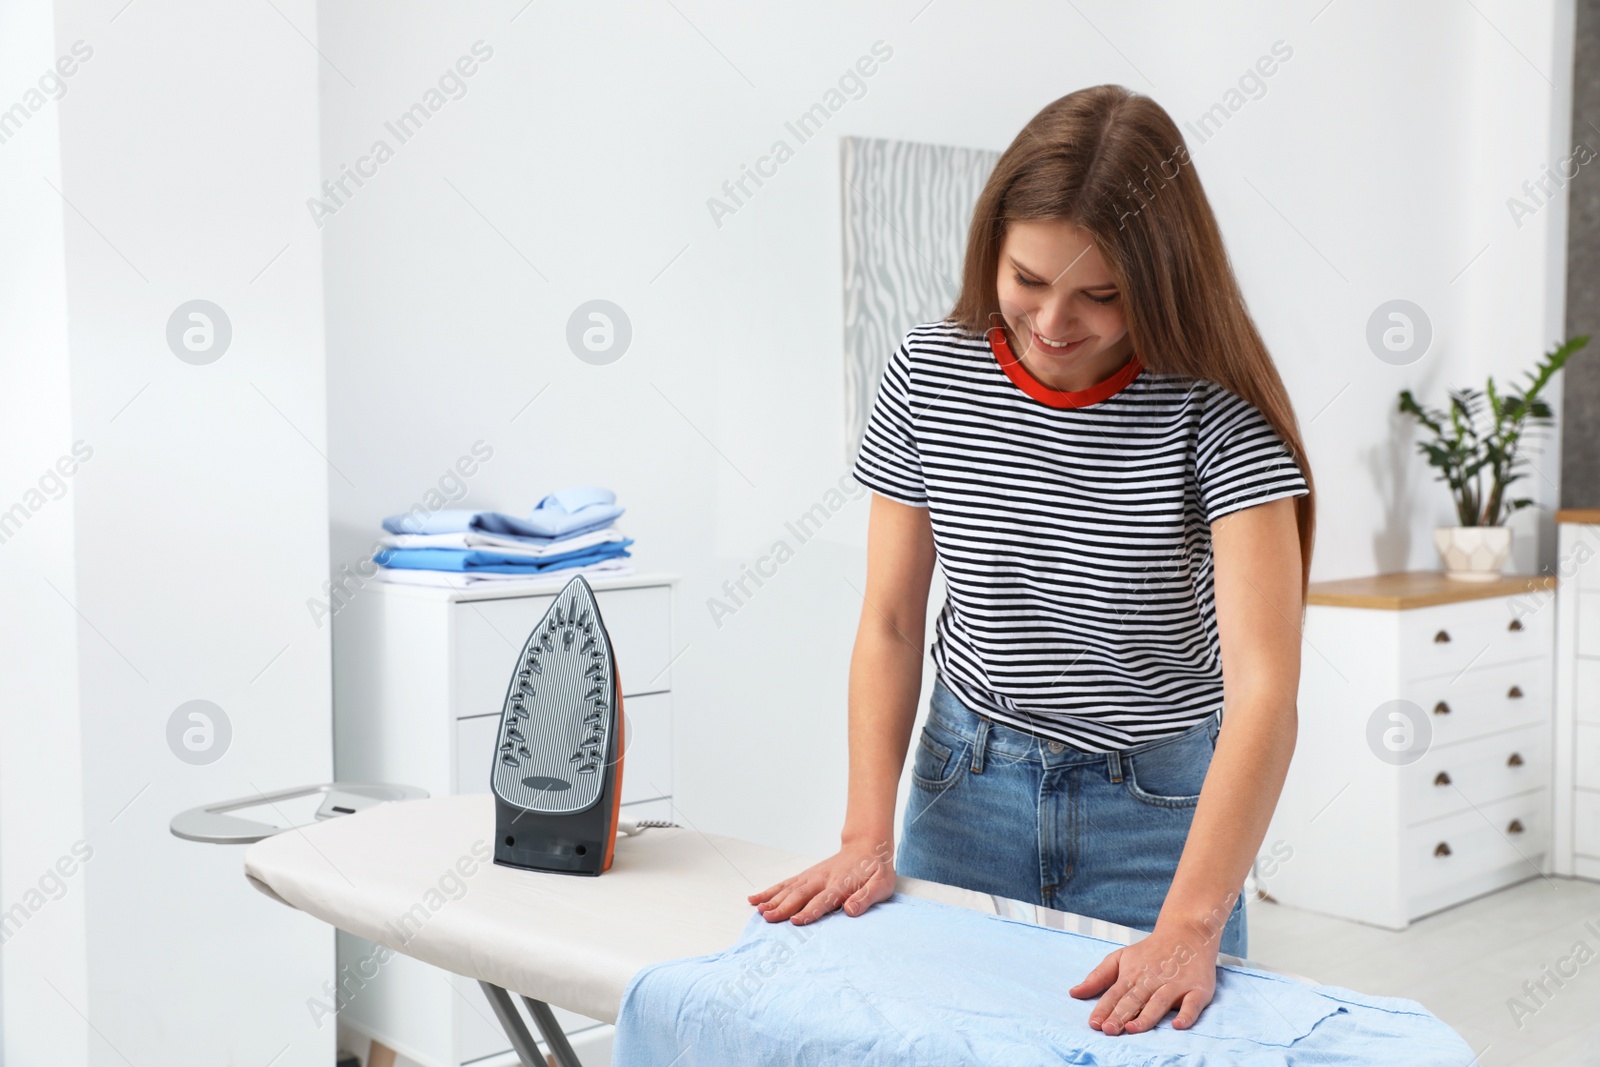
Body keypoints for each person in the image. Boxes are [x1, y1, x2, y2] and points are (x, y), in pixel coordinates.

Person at [747, 83, 1316, 1038]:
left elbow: (1265, 689)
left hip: (1160, 817)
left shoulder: (1215, 411)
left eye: (1101, 295)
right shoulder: (927, 371)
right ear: (991, 250)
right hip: (967, 785)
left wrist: (1188, 924)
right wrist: (863, 833)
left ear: (1166, 279)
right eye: (1027, 278)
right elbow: (890, 619)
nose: (1053, 321)